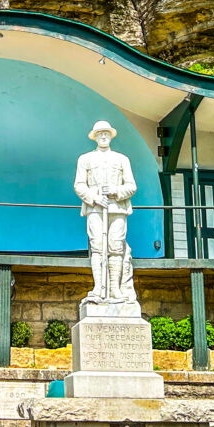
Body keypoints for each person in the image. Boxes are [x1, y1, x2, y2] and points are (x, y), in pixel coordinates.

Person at [74, 120, 138, 304]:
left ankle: (115, 289)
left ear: (111, 135)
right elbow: (79, 185)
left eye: (106, 133)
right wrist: (94, 197)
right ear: (94, 136)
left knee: (116, 247)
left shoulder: (122, 159)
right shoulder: (85, 159)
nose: (103, 136)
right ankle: (98, 287)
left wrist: (115, 191)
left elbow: (131, 186)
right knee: (97, 246)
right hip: (95, 208)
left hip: (117, 208)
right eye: (100, 133)